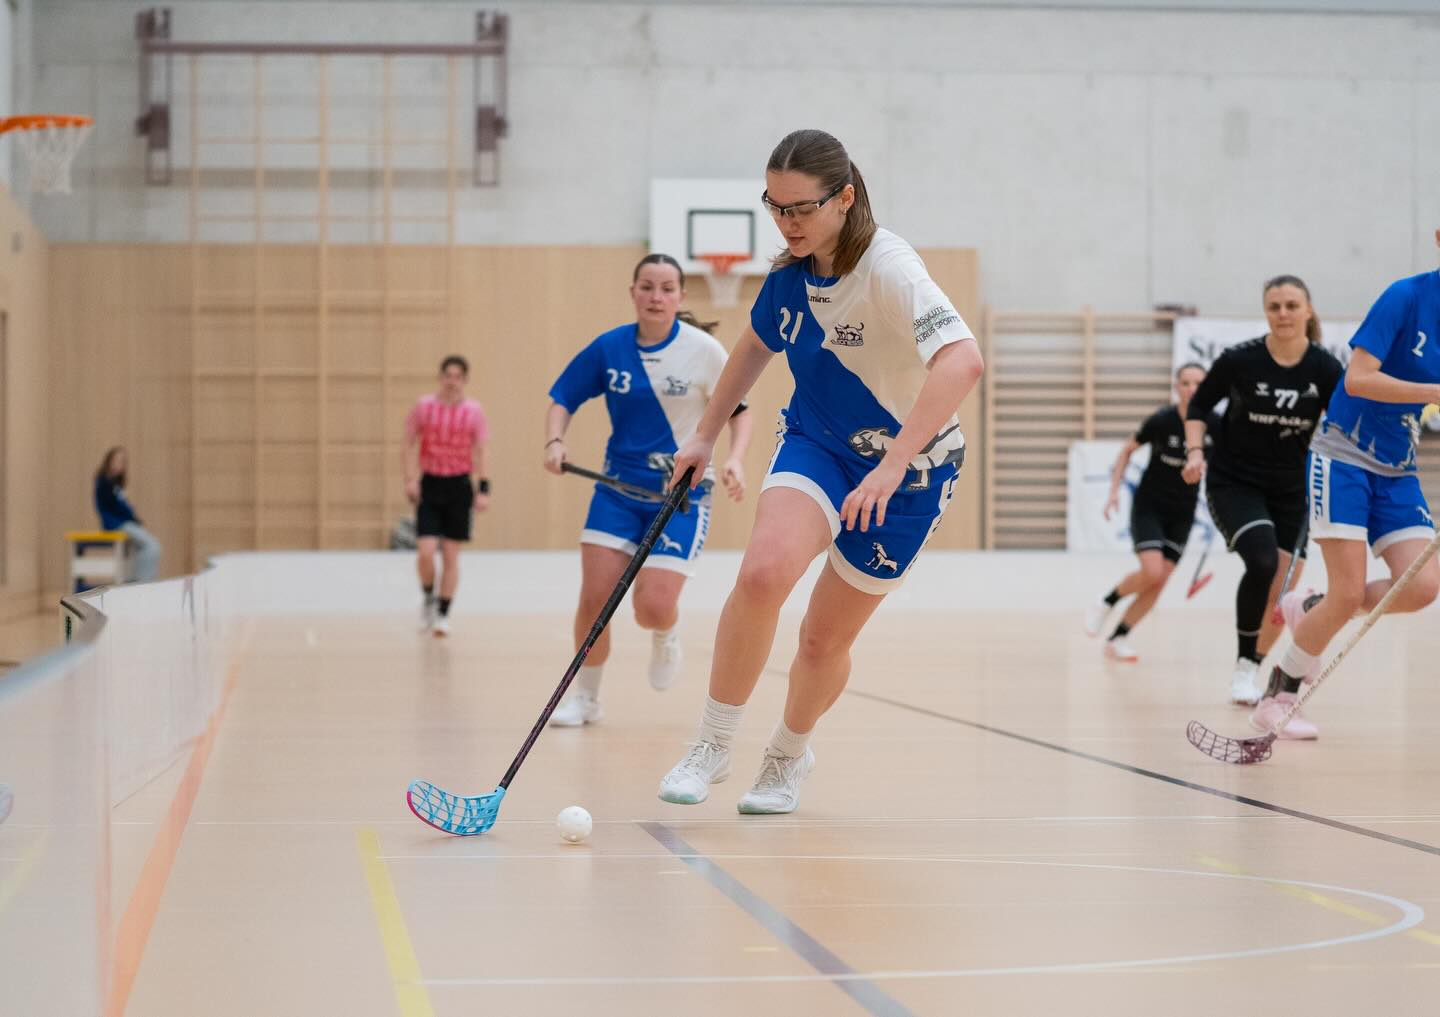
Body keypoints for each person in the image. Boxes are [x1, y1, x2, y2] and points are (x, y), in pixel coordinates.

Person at [654, 129, 984, 815]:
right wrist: (704, 438)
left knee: (822, 638)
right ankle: (713, 743)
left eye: (800, 208)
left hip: (910, 472)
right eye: (775, 206)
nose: (786, 222)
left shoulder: (889, 269)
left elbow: (962, 360)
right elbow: (752, 346)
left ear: (845, 197)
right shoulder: (789, 278)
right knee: (763, 572)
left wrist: (892, 466)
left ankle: (786, 755)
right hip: (819, 443)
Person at [543, 254, 753, 726]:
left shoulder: (703, 350)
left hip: (681, 497)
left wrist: (735, 459)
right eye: (647, 287)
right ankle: (587, 700)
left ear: (679, 297)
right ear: (633, 292)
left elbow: (740, 413)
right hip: (616, 491)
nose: (656, 297)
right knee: (595, 599)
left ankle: (666, 631)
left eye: (666, 289)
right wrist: (555, 440)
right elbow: (562, 398)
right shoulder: (609, 348)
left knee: (652, 608)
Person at [1262, 232, 1440, 739]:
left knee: (1422, 587)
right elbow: (1359, 379)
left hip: (1398, 465)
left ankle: (1310, 609)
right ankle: (1279, 693)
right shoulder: (1405, 296)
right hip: (1343, 455)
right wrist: (1436, 392)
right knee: (1346, 594)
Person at [1182, 276, 1344, 705]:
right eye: (1275, 306)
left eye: (1292, 305)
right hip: (1234, 482)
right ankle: (1243, 666)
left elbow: (1347, 423)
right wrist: (1195, 452)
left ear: (1308, 310)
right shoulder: (1241, 360)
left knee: (1283, 589)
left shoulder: (1325, 369)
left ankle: (1256, 668)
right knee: (1262, 560)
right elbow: (1199, 406)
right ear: (1266, 312)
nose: (1284, 314)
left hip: (1292, 489)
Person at [1084, 363, 1219, 661]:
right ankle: (1106, 601)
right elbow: (1126, 450)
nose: (1192, 388)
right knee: (1152, 570)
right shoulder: (1162, 421)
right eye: (1185, 383)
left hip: (1182, 513)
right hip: (1150, 507)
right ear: (1177, 387)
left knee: (1160, 580)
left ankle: (1118, 638)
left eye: (1198, 383)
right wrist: (1113, 492)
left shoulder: (1216, 423)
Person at [404, 355, 490, 637]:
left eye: (457, 377)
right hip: (431, 484)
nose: (452, 382)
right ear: (441, 378)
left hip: (459, 485)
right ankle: (428, 596)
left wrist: (483, 488)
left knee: (451, 556)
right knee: (426, 551)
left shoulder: (474, 411)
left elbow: (481, 450)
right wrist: (411, 478)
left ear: (464, 380)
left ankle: (442, 613)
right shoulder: (424, 407)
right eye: (447, 376)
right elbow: (408, 443)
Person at [93, 446, 162, 582]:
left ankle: (137, 579)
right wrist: (132, 518)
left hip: (125, 522)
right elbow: (115, 507)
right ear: (109, 461)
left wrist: (135, 519)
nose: (120, 464)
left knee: (144, 547)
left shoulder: (116, 484)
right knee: (153, 546)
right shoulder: (104, 481)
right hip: (116, 524)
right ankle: (142, 582)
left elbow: (124, 507)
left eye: (123, 462)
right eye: (117, 460)